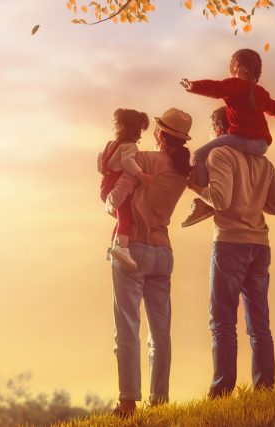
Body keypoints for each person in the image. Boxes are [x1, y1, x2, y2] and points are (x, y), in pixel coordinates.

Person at [188, 116, 275, 398]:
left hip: (230, 243)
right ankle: (265, 391)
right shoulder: (264, 164)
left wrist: (195, 188)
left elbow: (220, 200)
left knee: (222, 322)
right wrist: (254, 203)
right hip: (260, 246)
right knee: (259, 323)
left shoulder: (220, 153)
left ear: (219, 131)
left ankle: (221, 392)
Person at [103, 108, 194, 418]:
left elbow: (117, 196)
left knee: (127, 327)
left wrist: (108, 203)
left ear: (160, 135)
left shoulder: (145, 160)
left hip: (132, 250)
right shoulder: (183, 172)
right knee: (161, 331)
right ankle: (159, 400)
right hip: (163, 252)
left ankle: (128, 403)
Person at [178, 48, 275, 227]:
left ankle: (203, 202)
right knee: (211, 151)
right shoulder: (259, 93)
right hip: (261, 145)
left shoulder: (237, 86)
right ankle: (205, 199)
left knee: (199, 154)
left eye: (230, 67)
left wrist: (194, 86)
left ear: (237, 67)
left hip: (243, 139)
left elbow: (216, 88)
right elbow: (274, 108)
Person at [97, 108, 156, 271]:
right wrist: (142, 175)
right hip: (117, 186)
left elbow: (99, 163)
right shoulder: (129, 146)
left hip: (105, 185)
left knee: (119, 219)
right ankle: (122, 248)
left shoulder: (110, 145)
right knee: (126, 218)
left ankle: (112, 247)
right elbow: (129, 163)